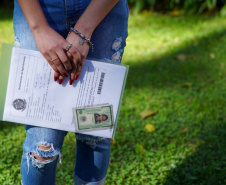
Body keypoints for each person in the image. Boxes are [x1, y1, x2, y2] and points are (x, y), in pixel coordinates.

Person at [14, 0, 129, 184]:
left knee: (93, 135)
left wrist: (83, 30)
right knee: (42, 145)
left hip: (102, 10)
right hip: (38, 9)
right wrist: (39, 28)